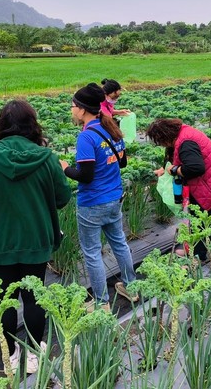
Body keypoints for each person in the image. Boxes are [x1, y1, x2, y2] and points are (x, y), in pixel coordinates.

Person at [0, 100, 72, 374]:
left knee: (4, 298)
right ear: (32, 125)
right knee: (34, 297)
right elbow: (62, 198)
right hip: (36, 239)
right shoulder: (46, 157)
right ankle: (35, 352)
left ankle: (9, 353)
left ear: (0, 126)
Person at [60, 83, 138, 310]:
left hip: (92, 203)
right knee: (119, 244)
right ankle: (131, 287)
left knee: (92, 253)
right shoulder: (110, 127)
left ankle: (102, 303)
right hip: (114, 197)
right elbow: (122, 162)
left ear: (82, 109)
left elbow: (85, 176)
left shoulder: (86, 137)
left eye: (73, 106)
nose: (72, 109)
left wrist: (64, 167)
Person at [147, 118, 211, 261]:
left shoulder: (186, 143)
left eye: (160, 141)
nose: (162, 144)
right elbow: (175, 157)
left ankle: (198, 256)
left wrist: (175, 170)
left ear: (165, 136)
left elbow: (196, 168)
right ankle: (193, 249)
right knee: (197, 218)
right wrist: (164, 169)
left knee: (201, 220)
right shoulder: (182, 133)